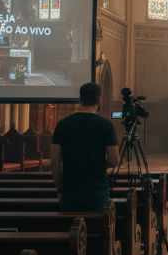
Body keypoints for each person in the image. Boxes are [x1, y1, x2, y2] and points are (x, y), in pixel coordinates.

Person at [51, 83, 119, 212]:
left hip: (70, 191)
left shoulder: (63, 124)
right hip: (97, 192)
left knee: (70, 229)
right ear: (99, 99)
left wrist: (59, 188)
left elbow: (54, 161)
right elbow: (114, 160)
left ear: (80, 98)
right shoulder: (106, 125)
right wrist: (97, 164)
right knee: (99, 229)